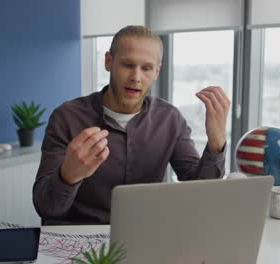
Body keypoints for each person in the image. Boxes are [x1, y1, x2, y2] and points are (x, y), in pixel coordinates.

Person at [33, 25, 231, 225]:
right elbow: (46, 208)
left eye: (146, 68)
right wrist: (68, 175)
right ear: (109, 62)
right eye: (127, 65)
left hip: (142, 236)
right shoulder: (67, 117)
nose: (136, 77)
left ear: (156, 71)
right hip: (79, 237)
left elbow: (200, 193)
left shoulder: (170, 119)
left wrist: (216, 142)